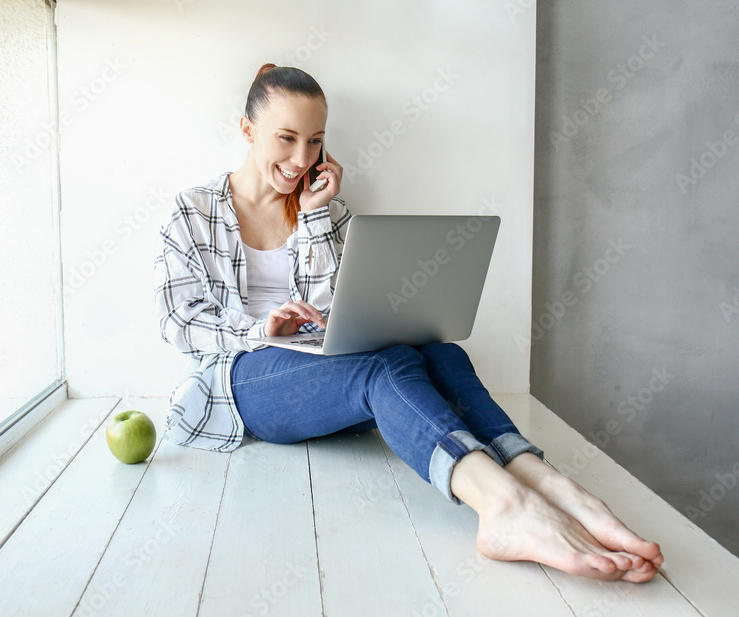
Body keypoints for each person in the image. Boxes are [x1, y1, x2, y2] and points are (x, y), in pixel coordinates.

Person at [154, 64, 664, 583]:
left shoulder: (328, 212)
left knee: (441, 352)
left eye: (315, 142)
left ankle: (543, 481)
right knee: (383, 369)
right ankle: (503, 507)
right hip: (240, 381)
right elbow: (177, 322)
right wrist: (262, 329)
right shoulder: (192, 212)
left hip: (323, 376)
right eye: (286, 139)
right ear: (247, 130)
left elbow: (340, 311)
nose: (301, 159)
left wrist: (312, 215)